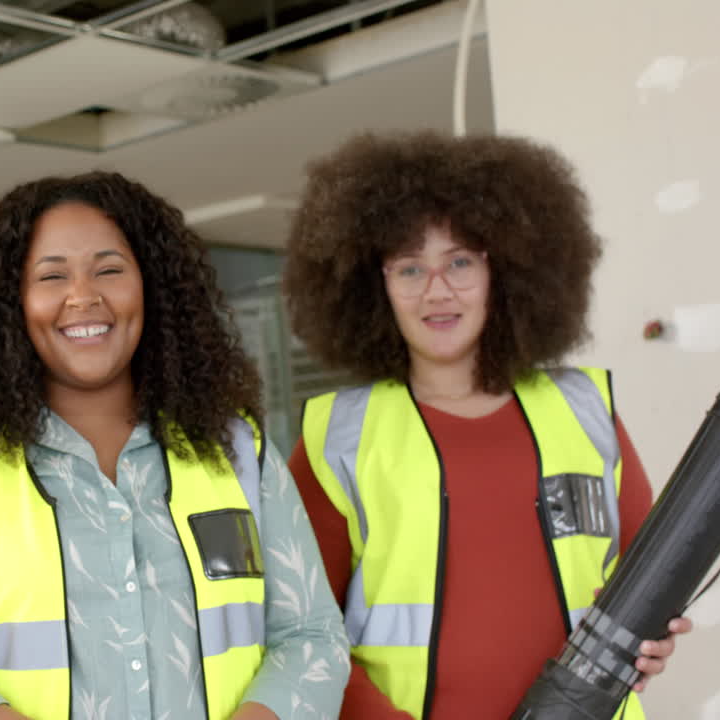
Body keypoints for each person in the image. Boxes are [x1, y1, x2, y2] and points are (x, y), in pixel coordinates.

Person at [0, 171, 349, 720]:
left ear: (151, 286)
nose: (83, 296)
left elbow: (311, 636)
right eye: (51, 276)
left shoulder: (237, 448)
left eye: (109, 270)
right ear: (11, 301)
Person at [280, 132, 692, 720]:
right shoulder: (337, 435)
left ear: (507, 271)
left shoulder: (586, 411)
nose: (436, 290)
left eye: (460, 261)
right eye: (409, 268)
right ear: (376, 287)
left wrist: (655, 636)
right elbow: (302, 630)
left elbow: (652, 576)